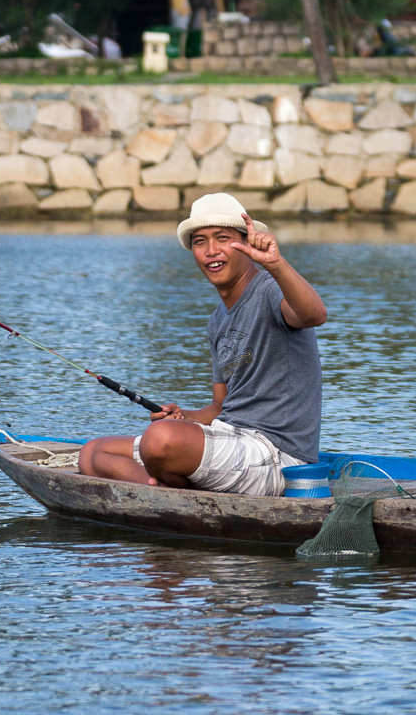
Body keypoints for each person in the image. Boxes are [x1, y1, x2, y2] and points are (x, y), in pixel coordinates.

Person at [78, 193, 327, 496]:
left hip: (276, 458)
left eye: (223, 238)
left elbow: (314, 314)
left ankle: (172, 483)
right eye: (200, 242)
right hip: (227, 437)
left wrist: (277, 264)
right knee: (93, 453)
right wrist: (184, 416)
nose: (211, 251)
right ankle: (169, 488)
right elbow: (221, 406)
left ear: (247, 244)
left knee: (159, 440)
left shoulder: (271, 289)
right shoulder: (217, 321)